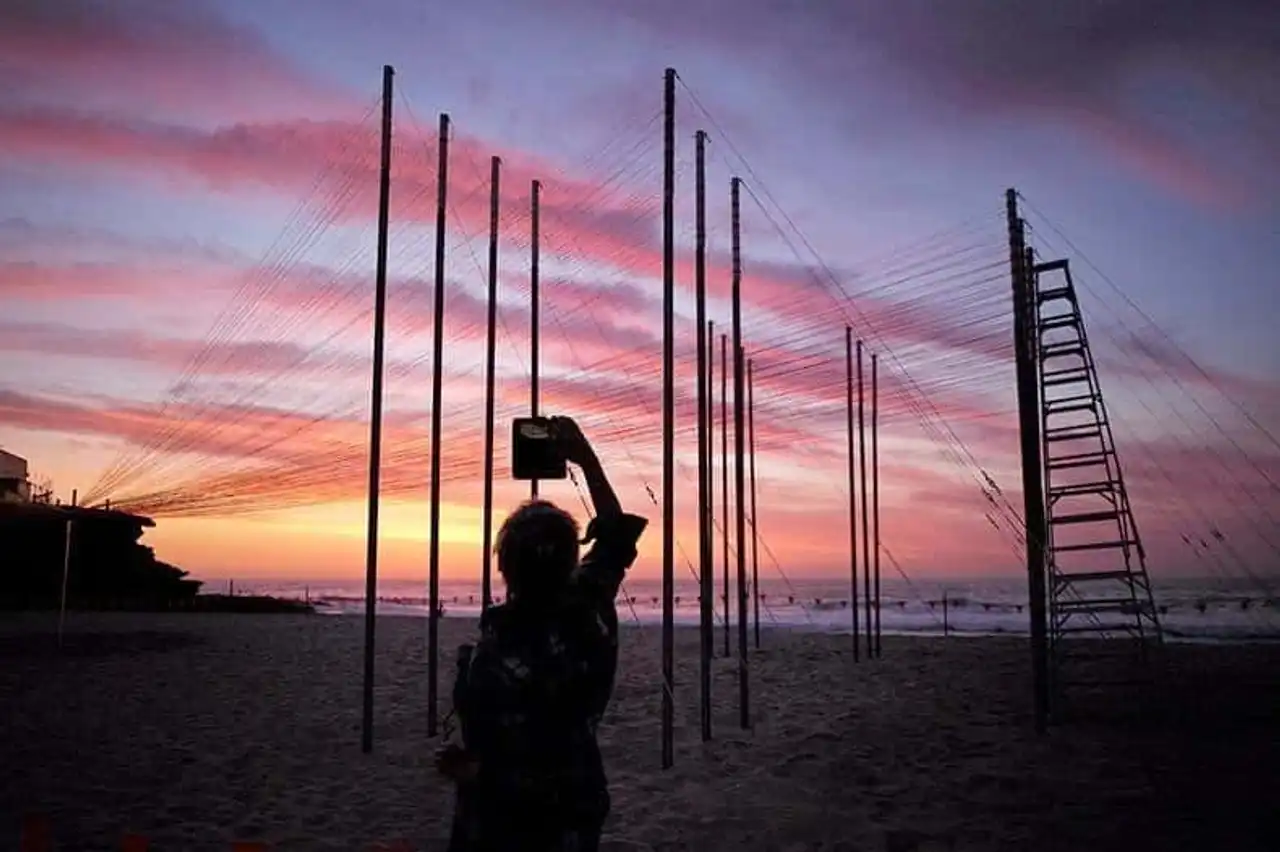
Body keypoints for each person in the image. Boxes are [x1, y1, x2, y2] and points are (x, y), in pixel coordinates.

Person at [439, 416, 648, 851]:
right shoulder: (588, 607)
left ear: (504, 568)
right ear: (572, 559)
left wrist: (467, 769)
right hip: (577, 803)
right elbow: (612, 538)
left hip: (505, 822)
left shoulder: (497, 652)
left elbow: (500, 750)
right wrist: (585, 457)